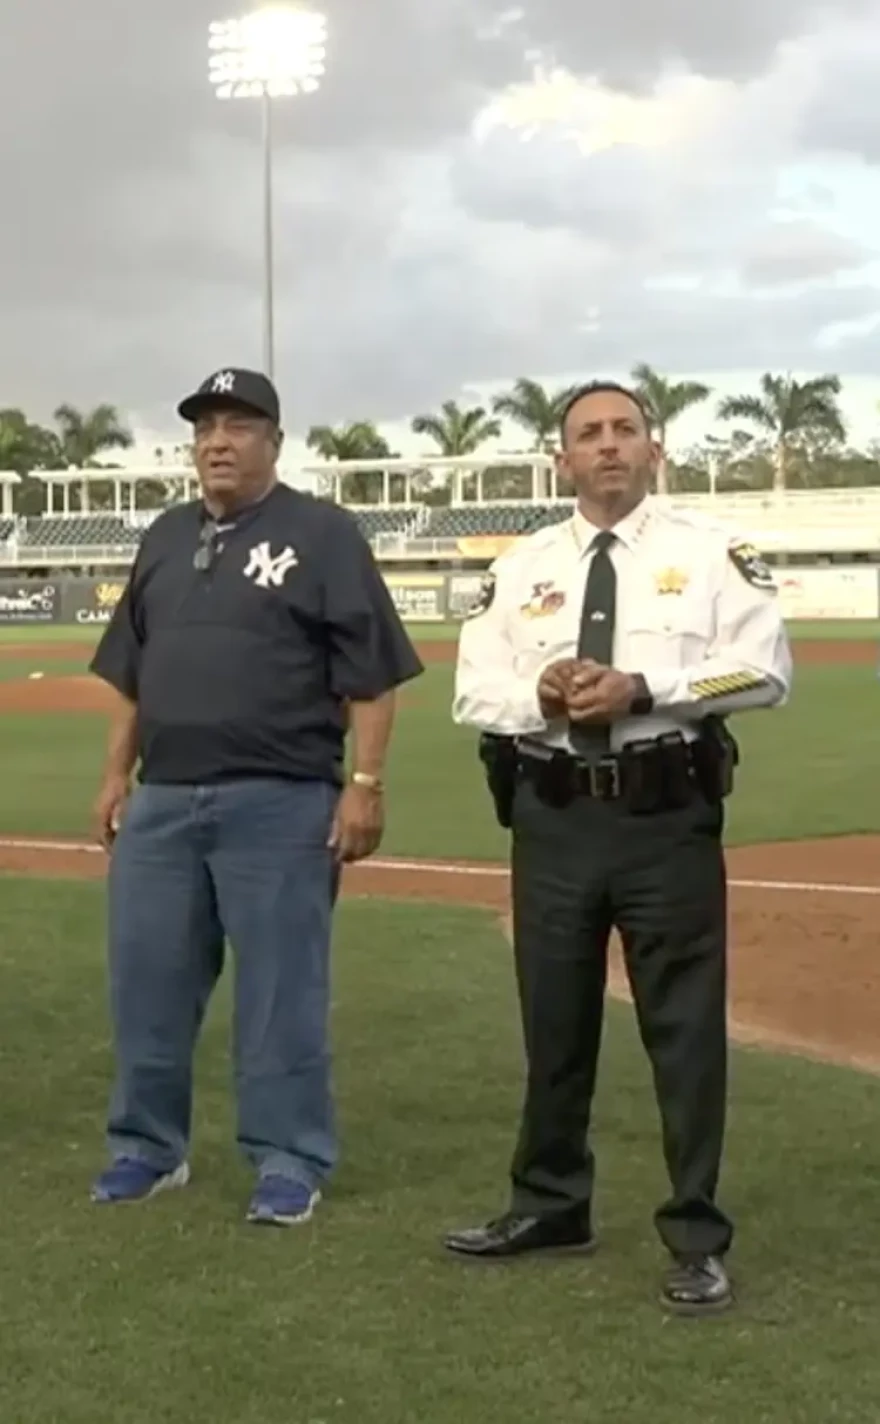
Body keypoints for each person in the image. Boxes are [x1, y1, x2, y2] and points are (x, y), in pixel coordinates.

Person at [445, 380, 793, 1314]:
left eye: (624, 430)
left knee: (683, 1030)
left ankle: (697, 1235)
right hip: (553, 816)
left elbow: (763, 670)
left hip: (664, 818)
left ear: (653, 449)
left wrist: (645, 688)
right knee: (553, 1021)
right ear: (562, 458)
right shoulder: (522, 565)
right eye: (589, 434)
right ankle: (551, 1205)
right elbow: (474, 689)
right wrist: (540, 695)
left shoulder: (710, 553)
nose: (607, 445)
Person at [87, 366, 423, 1225]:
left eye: (238, 426)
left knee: (280, 996)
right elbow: (131, 674)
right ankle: (147, 1148)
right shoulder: (165, 537)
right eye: (205, 429)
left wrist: (366, 783)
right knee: (147, 988)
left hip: (281, 802)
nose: (218, 442)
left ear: (274, 441)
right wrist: (115, 775)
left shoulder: (323, 533)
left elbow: (372, 675)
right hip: (163, 803)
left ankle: (288, 1158)